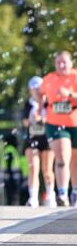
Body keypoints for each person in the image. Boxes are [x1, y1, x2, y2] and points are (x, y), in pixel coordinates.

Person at [40, 50, 77, 207]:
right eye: (58, 63)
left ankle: (75, 191)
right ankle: (62, 193)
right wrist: (40, 107)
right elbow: (39, 94)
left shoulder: (75, 76)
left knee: (75, 161)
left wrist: (70, 94)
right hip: (55, 123)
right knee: (62, 157)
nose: (61, 65)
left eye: (64, 62)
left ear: (71, 63)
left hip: (75, 122)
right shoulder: (49, 79)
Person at [22, 75, 55, 208]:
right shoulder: (29, 104)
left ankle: (50, 195)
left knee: (47, 170)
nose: (37, 91)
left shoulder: (49, 102)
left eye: (39, 88)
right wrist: (33, 119)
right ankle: (33, 198)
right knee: (33, 168)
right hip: (32, 138)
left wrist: (42, 119)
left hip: (47, 139)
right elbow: (24, 122)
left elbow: (54, 119)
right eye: (34, 89)